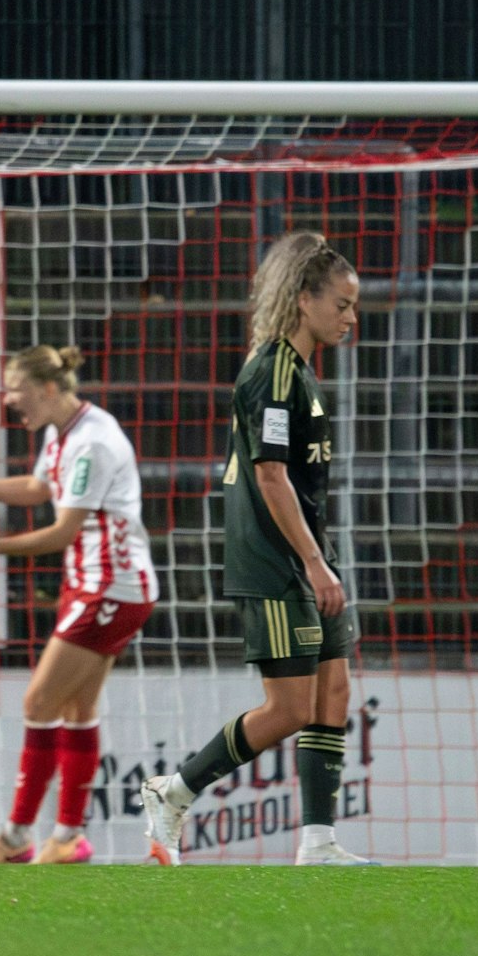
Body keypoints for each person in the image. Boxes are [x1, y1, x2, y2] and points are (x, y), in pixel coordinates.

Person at [141, 231, 376, 867]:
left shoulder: (298, 371)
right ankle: (175, 790)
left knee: (334, 694)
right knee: (291, 707)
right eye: (343, 305)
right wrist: (314, 562)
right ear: (304, 300)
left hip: (304, 553)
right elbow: (270, 476)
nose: (351, 317)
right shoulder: (272, 371)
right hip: (274, 562)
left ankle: (319, 843)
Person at [0, 345, 158, 864]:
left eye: (17, 392)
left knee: (38, 702)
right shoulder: (68, 431)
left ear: (50, 389)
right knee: (77, 709)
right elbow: (40, 488)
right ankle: (66, 838)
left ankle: (16, 840)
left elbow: (61, 530)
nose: (11, 403)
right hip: (101, 587)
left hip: (110, 588)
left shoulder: (94, 443)